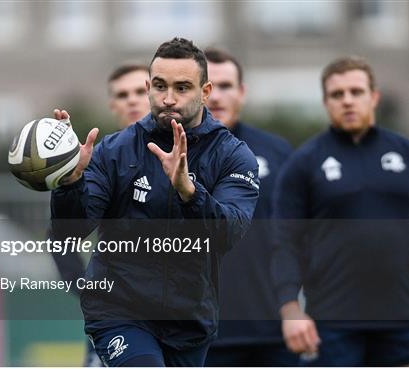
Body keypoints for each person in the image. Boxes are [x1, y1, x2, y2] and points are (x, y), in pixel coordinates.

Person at [50, 37, 259, 367]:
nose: (168, 98)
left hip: (190, 321)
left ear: (205, 92)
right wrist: (70, 181)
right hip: (119, 313)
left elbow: (227, 234)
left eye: (182, 87)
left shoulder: (233, 155)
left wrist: (189, 192)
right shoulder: (114, 151)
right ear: (149, 86)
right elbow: (70, 231)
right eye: (160, 86)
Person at [272, 56, 409, 366]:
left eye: (356, 91)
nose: (348, 100)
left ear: (373, 96)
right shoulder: (303, 163)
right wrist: (290, 310)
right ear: (326, 102)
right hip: (332, 323)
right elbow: (284, 242)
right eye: (337, 94)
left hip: (400, 319)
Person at [50, 63, 152, 367]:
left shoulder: (187, 155)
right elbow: (60, 235)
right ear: (112, 104)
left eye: (140, 91)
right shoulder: (98, 159)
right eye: (122, 94)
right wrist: (86, 288)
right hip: (117, 317)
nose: (132, 100)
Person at [201, 48, 297, 366]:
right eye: (208, 87)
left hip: (275, 334)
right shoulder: (170, 156)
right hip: (200, 337)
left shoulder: (278, 152)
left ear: (242, 92)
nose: (216, 97)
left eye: (226, 86)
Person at [107, 64, 151, 129]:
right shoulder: (104, 139)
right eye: (122, 95)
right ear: (112, 106)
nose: (132, 100)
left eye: (141, 92)